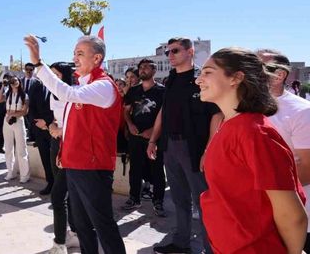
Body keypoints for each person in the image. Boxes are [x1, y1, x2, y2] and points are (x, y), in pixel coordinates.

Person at [195, 47, 307, 253]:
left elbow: (292, 216)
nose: (198, 80)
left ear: (235, 78)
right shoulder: (230, 125)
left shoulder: (254, 133)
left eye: (208, 72)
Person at [24, 34, 126, 254]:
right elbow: (72, 126)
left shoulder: (103, 86)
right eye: (74, 53)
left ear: (97, 58)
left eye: (80, 53)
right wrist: (64, 152)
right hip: (75, 165)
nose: (75, 58)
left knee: (103, 225)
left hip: (93, 167)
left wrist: (39, 64)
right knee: (81, 225)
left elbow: (67, 93)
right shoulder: (83, 85)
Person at [147, 37, 223, 254]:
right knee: (179, 198)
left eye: (175, 51)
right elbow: (164, 110)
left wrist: (208, 150)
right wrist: (153, 139)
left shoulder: (202, 78)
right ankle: (182, 243)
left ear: (190, 52)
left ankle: (211, 249)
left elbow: (216, 116)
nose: (170, 56)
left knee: (203, 202)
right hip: (170, 145)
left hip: (194, 147)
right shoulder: (170, 80)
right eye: (167, 52)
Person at [258, 50, 310, 252]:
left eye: (258, 66)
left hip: (296, 214)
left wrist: (269, 197)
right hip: (262, 214)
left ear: (280, 75)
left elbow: (307, 167)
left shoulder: (302, 111)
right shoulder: (244, 108)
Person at [122, 59, 167, 217]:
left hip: (155, 138)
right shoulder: (133, 91)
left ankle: (158, 201)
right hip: (135, 137)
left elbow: (165, 115)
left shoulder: (162, 91)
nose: (142, 70)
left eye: (146, 67)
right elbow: (126, 111)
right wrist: (130, 125)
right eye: (141, 67)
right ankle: (134, 198)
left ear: (154, 71)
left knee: (156, 170)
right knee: (135, 169)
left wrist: (153, 132)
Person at [47, 62, 80, 254]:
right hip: (56, 144)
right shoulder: (53, 94)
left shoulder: (75, 93)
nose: (52, 79)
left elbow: (79, 123)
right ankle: (72, 234)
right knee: (64, 195)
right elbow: (56, 118)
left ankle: (60, 243)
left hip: (71, 148)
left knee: (58, 197)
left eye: (55, 75)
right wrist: (52, 126)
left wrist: (62, 131)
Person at [0, 75, 30, 183]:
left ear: (19, 82)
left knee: (21, 149)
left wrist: (13, 114)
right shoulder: (7, 93)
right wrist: (3, 86)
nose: (14, 82)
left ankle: (25, 175)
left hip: (18, 121)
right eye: (12, 81)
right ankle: (11, 172)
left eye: (16, 80)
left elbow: (25, 111)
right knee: (8, 148)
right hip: (7, 121)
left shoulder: (24, 95)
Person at [29, 68, 56, 195]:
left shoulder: (57, 86)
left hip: (54, 128)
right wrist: (38, 124)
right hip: (40, 129)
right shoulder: (36, 87)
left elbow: (58, 109)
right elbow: (31, 107)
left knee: (56, 159)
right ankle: (50, 183)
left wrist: (47, 122)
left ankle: (59, 185)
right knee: (45, 158)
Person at [22, 62, 39, 143]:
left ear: (33, 70)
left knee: (32, 123)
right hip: (21, 107)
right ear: (24, 70)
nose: (28, 71)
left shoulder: (37, 82)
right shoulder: (19, 81)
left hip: (32, 107)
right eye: (27, 69)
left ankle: (32, 137)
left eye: (30, 70)